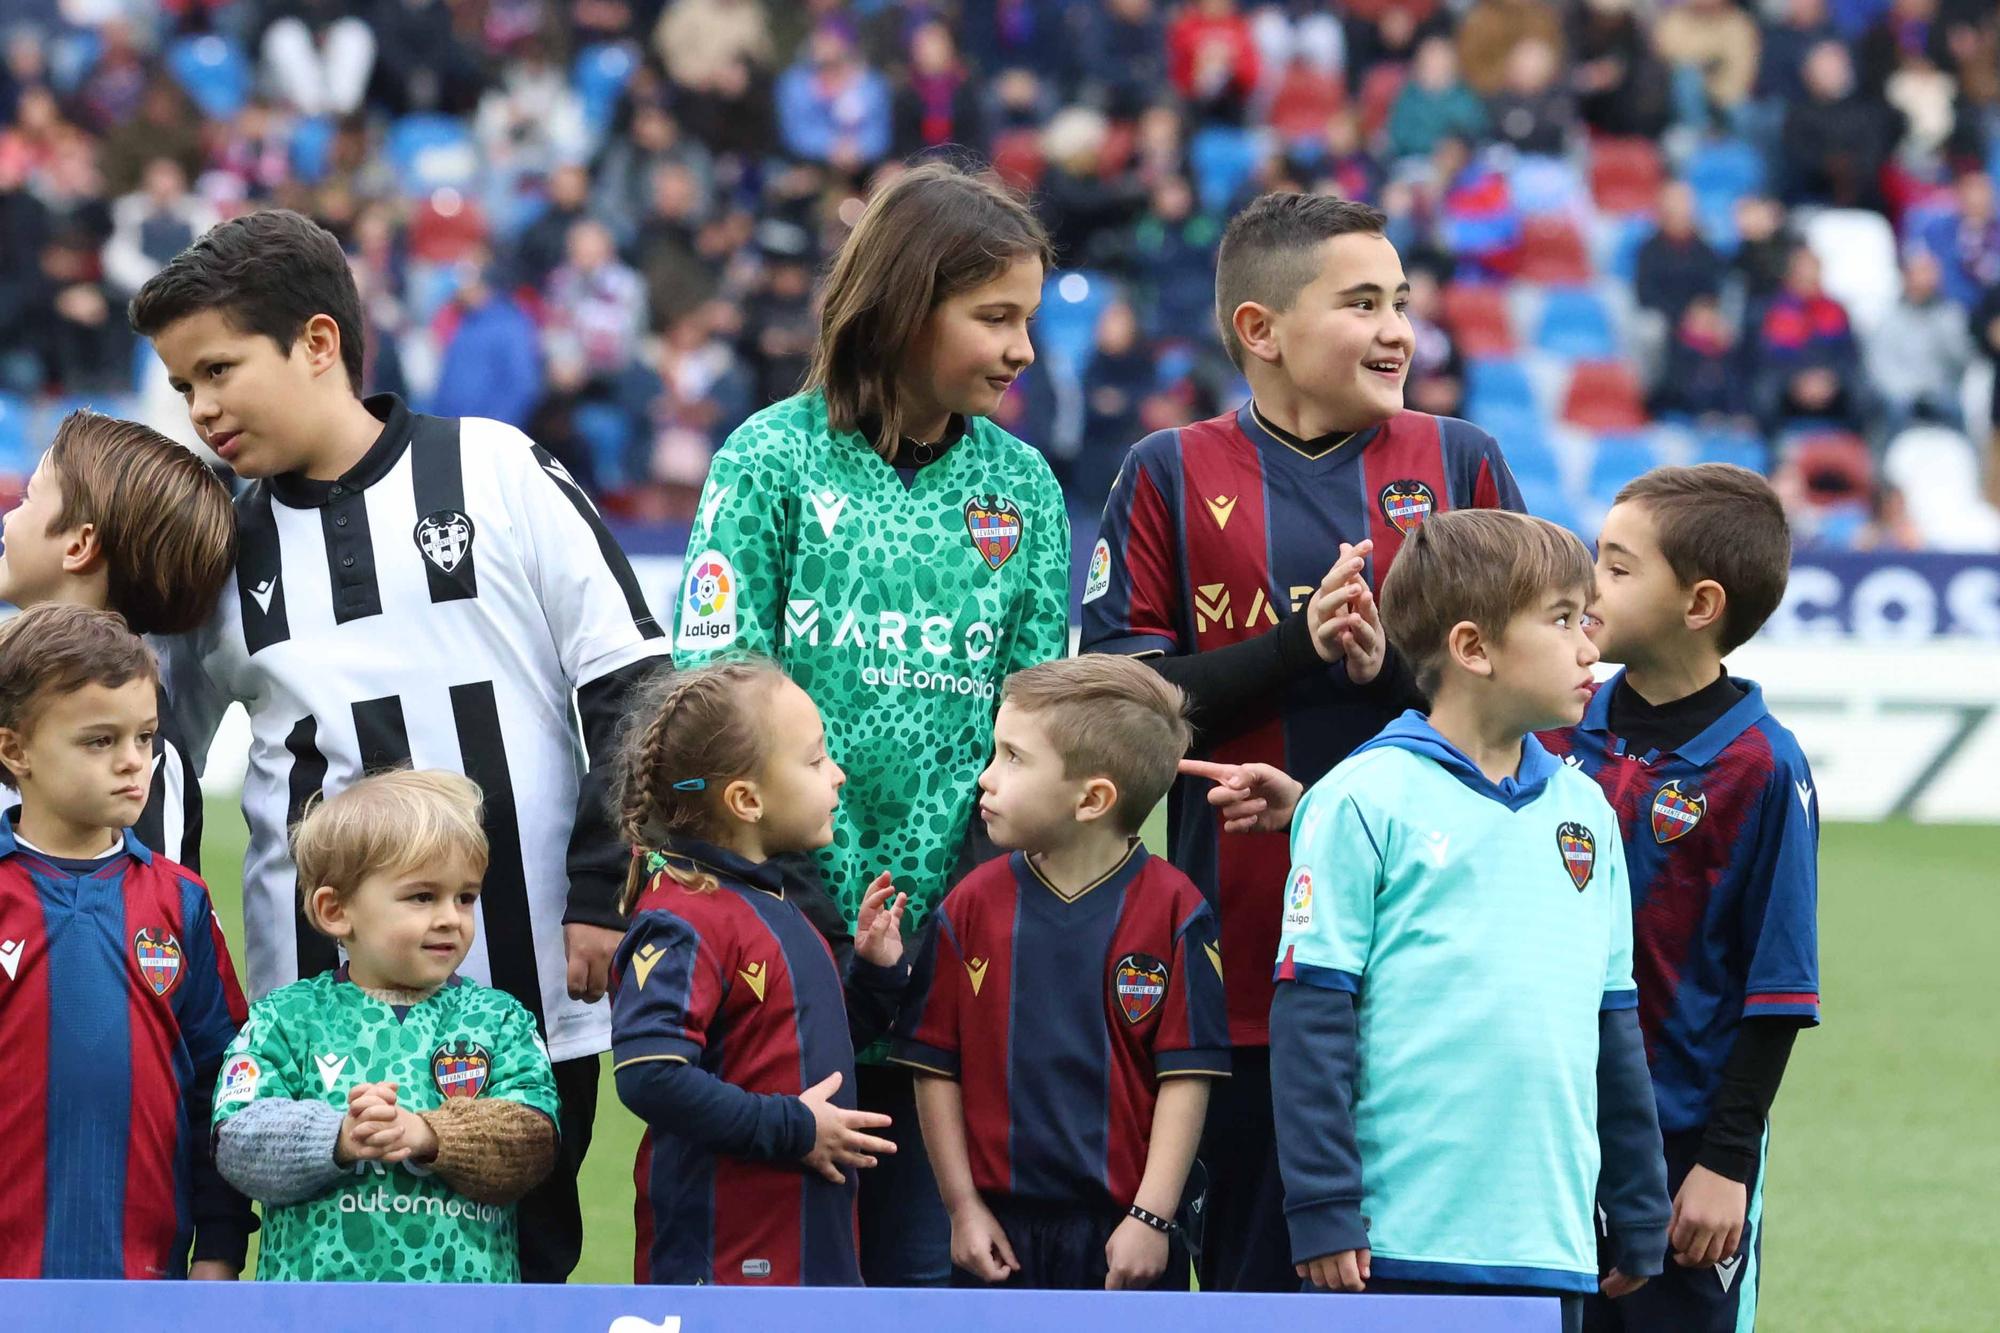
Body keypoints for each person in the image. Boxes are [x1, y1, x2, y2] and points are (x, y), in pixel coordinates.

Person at [129, 208, 672, 1283]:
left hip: (526, 1000)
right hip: (308, 1034)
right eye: (184, 385)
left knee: (517, 1285)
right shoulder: (217, 552)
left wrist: (604, 890)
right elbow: (154, 769)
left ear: (319, 343)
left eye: (219, 370)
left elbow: (630, 683)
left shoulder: (497, 470)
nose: (200, 410)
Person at [1081, 191, 1523, 1293]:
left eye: (1402, 304)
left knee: (1430, 1292)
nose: (1396, 332)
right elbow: (1122, 713)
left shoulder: (1462, 464)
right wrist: (1294, 646)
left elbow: (1530, 706)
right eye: (1361, 302)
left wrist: (1396, 676)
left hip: (1438, 977)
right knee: (1256, 1289)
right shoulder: (1166, 473)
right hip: (1243, 983)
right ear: (1259, 331)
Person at [672, 161, 1070, 1286]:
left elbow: (1037, 710)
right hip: (777, 943)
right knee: (771, 1277)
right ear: (902, 304)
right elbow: (710, 690)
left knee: (924, 1276)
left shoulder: (1025, 491)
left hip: (952, 957)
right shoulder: (769, 459)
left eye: (1027, 319)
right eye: (994, 317)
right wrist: (787, 896)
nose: (1022, 350)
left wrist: (982, 898)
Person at [1273, 510, 1669, 1333]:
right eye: (1562, 620)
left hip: (1548, 1242)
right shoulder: (1362, 798)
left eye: (1587, 618)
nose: (1590, 645)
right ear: (1473, 647)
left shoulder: (1586, 809)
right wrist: (1323, 1202)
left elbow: (1613, 1019)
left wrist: (1638, 1201)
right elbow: (1312, 1015)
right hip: (1394, 1247)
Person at [1541, 466, 1819, 1333]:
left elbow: (1778, 989)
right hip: (1548, 1131)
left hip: (1679, 1151)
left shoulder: (1762, 768)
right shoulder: (1553, 729)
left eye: (1619, 569)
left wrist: (1726, 1163)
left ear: (1700, 605)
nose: (1591, 585)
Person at [894, 656, 1230, 1290]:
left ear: (1093, 798)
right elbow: (934, 1067)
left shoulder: (1176, 912)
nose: (986, 778)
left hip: (1122, 1238)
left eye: (1013, 759)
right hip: (998, 1235)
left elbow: (1186, 1078)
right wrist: (962, 1208)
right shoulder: (968, 906)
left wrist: (1151, 1218)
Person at [609, 660, 911, 1286]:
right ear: (746, 800)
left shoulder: (778, 905)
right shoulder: (681, 918)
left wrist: (876, 975)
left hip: (810, 1256)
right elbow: (649, 1076)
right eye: (814, 761)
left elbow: (796, 1048)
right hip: (724, 1273)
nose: (838, 774)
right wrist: (795, 1128)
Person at [211, 770, 559, 1281]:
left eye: (464, 897)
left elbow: (532, 1139)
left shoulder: (500, 1020)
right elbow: (237, 1140)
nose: (450, 918)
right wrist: (338, 1136)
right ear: (335, 911)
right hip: (312, 1316)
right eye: (422, 897)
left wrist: (428, 1132)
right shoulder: (284, 1020)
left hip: (460, 1316)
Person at [0, 604, 251, 1278]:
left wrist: (222, 1247)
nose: (132, 762)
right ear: (14, 749)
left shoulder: (181, 903)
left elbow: (222, 1093)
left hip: (148, 1285)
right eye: (98, 741)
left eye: (144, 737)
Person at [0, 409, 235, 869]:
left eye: (28, 498)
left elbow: (151, 929)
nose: (9, 517)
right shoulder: (19, 683)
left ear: (78, 545)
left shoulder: (142, 752)